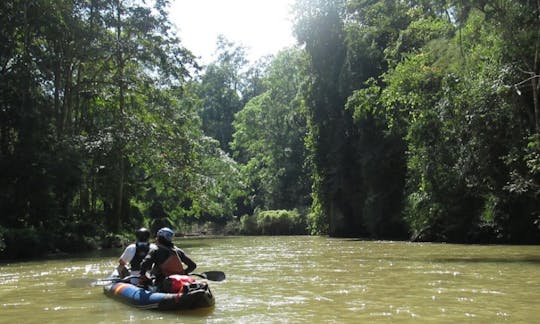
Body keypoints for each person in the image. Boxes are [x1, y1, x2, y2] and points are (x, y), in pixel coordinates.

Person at [139, 227, 197, 292]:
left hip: (162, 283)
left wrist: (143, 275)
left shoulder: (155, 250)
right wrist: (184, 273)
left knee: (147, 283)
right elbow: (193, 265)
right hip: (179, 281)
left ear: (159, 238)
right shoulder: (178, 251)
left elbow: (144, 264)